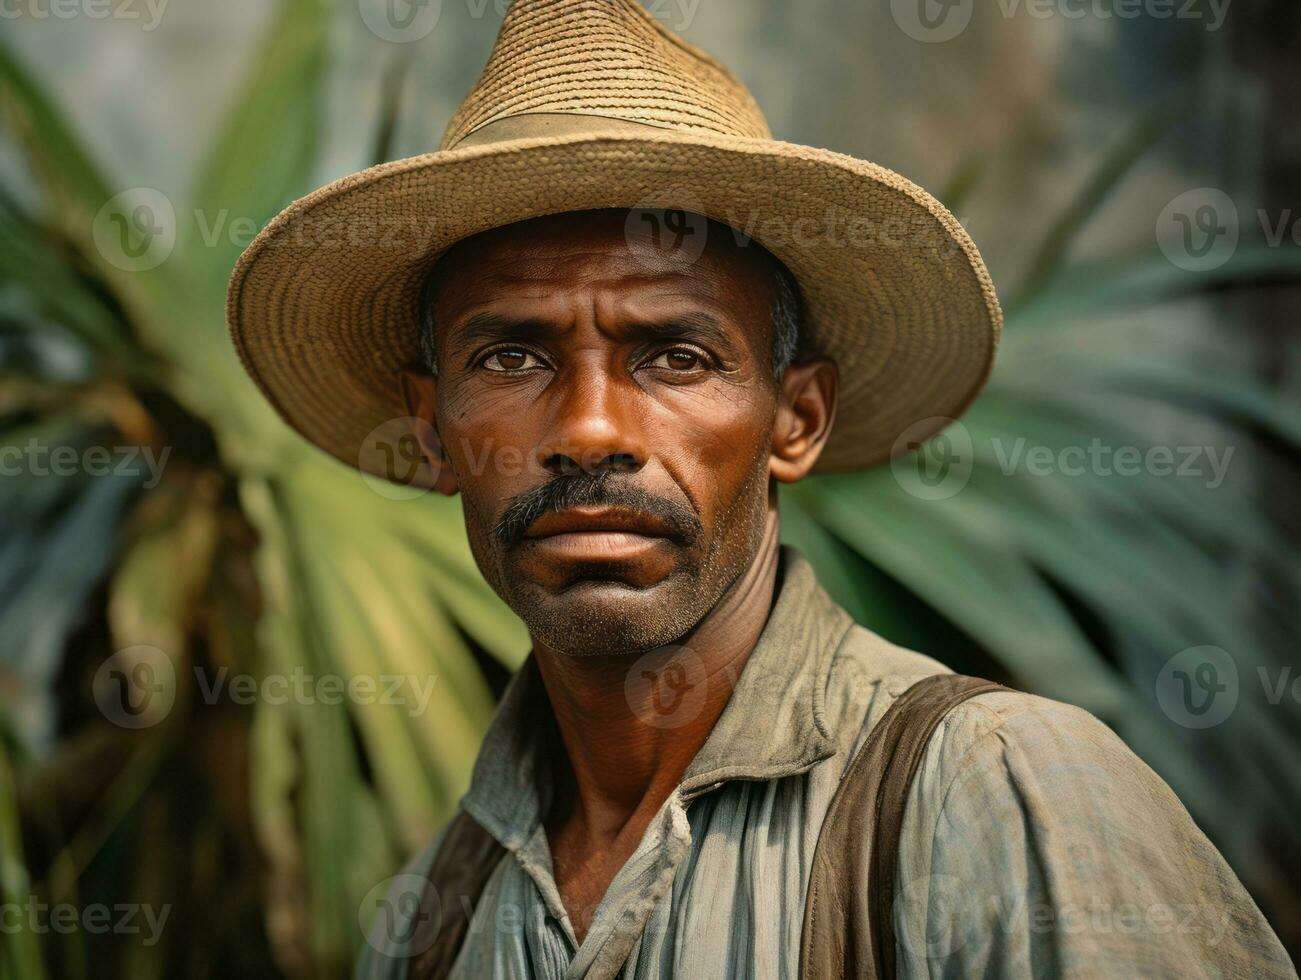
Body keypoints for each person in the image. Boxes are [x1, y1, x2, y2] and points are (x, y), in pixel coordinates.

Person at [227, 2, 1295, 977]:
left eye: (673, 355)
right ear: (430, 429)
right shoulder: (430, 917)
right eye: (512, 357)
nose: (590, 428)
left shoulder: (994, 797)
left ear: (796, 418)